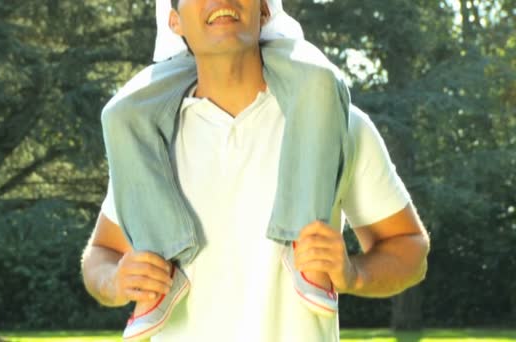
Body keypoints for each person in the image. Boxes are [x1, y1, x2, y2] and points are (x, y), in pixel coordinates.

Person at [81, 0, 430, 341]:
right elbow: (101, 254)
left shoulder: (338, 126)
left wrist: (355, 274)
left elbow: (409, 248)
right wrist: (114, 281)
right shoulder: (149, 143)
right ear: (175, 22)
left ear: (264, 11)